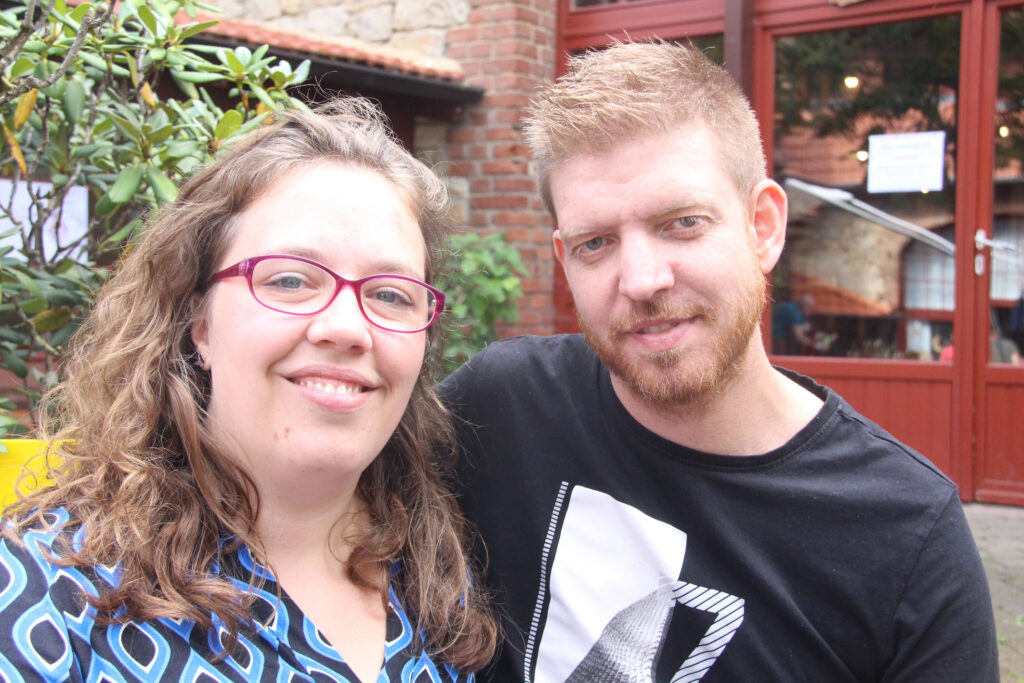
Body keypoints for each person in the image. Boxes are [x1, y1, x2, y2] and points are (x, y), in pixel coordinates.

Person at [440, 42, 997, 681]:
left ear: (762, 226)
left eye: (682, 223)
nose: (642, 279)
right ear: (564, 262)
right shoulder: (499, 408)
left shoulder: (905, 535)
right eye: (597, 243)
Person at [0, 99, 496, 681]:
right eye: (289, 280)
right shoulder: (46, 591)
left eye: (390, 294)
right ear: (200, 324)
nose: (346, 328)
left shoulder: (439, 567)